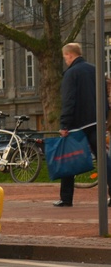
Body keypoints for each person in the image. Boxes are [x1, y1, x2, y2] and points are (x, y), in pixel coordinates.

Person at [56, 43, 111, 207]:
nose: (65, 60)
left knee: (69, 159)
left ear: (70, 55)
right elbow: (104, 96)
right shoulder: (95, 70)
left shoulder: (71, 74)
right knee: (104, 159)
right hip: (97, 121)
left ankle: (66, 198)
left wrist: (64, 124)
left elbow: (68, 100)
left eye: (65, 57)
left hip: (78, 124)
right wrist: (104, 117)